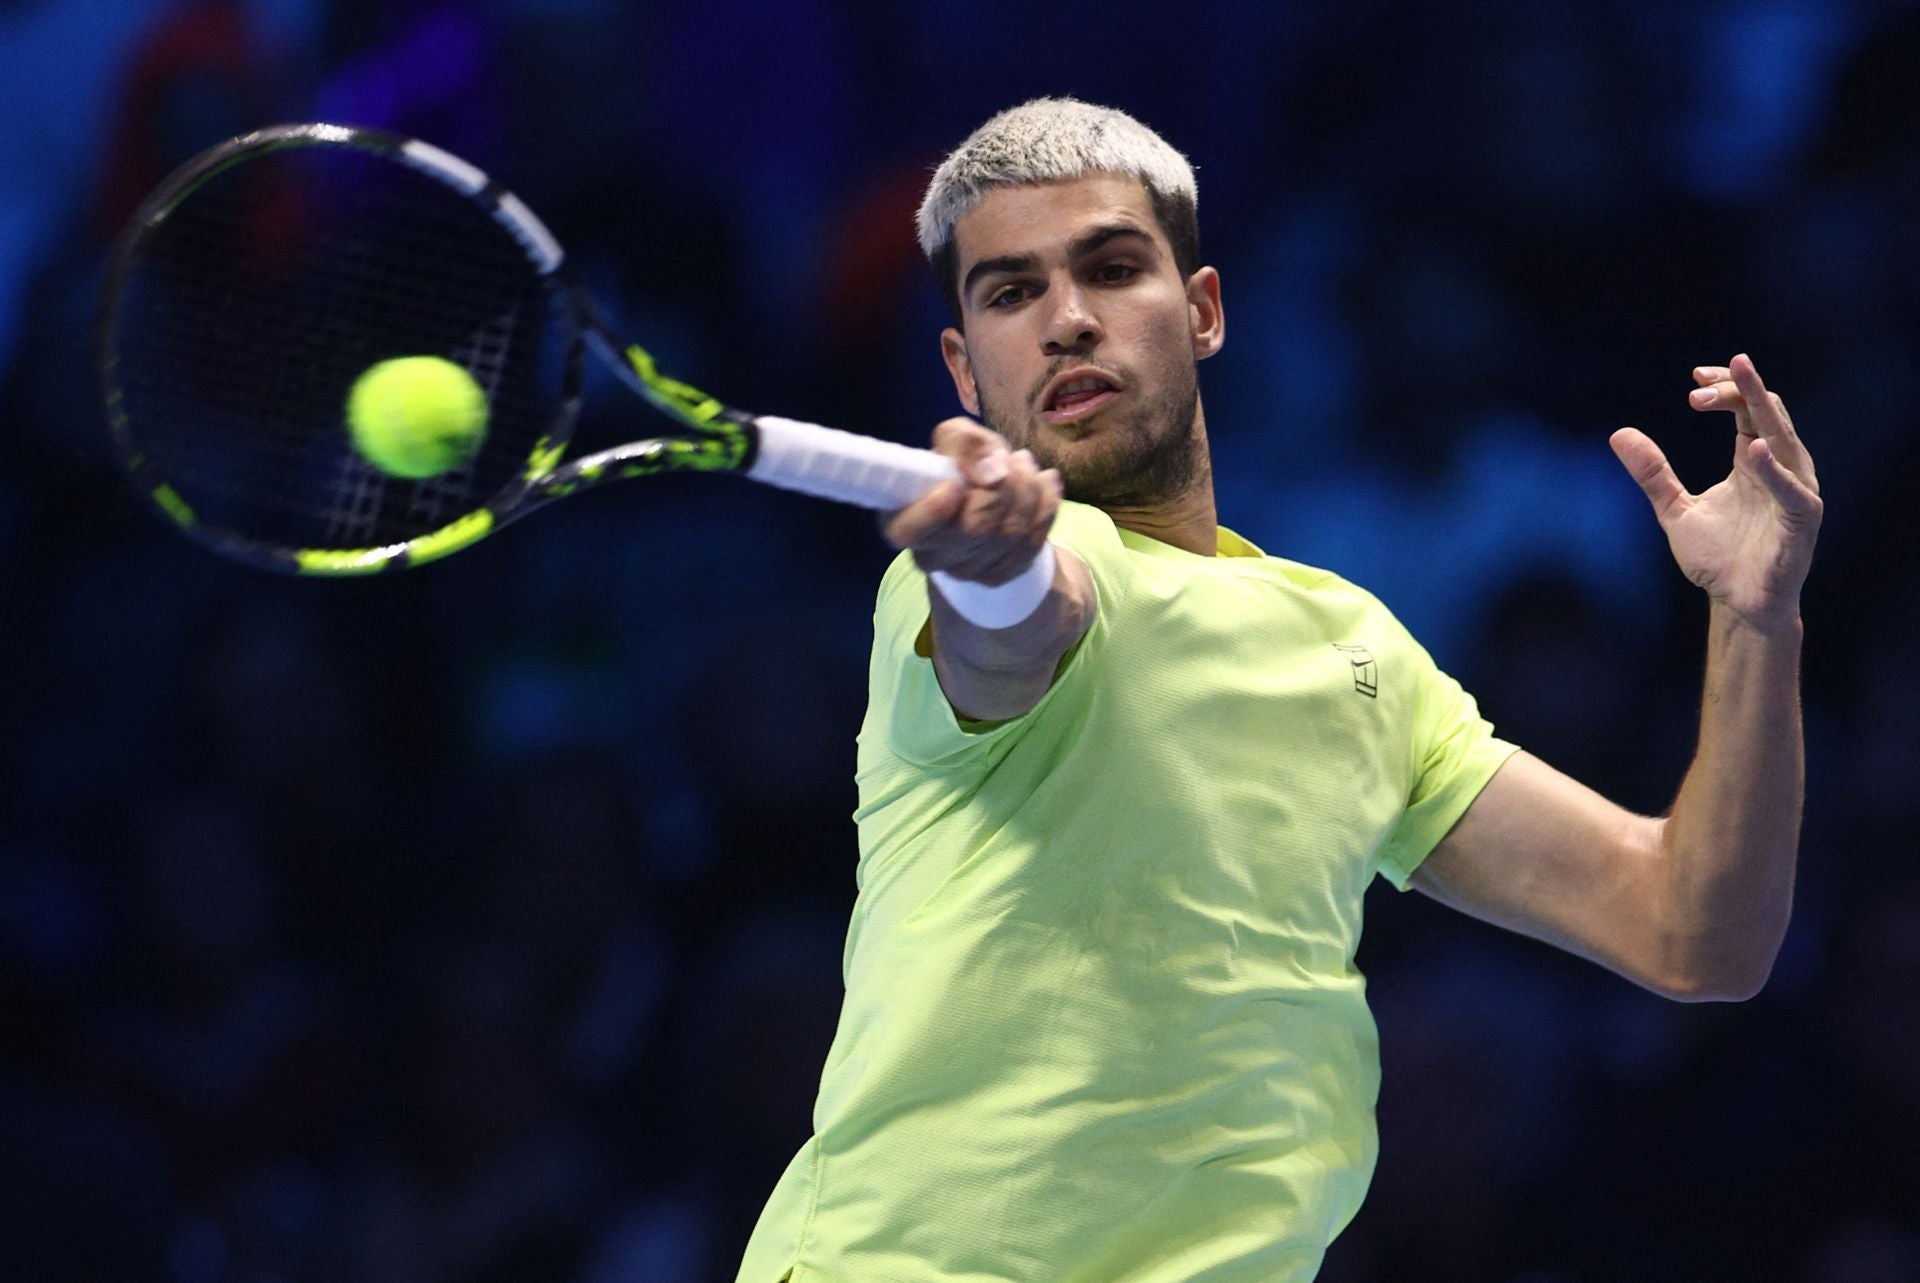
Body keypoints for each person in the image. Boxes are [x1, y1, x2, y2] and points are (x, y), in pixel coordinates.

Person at [734, 98, 1820, 1283]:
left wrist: (1755, 618)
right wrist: (987, 567)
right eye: (1010, 293)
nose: (1067, 320)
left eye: (1111, 269)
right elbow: (1019, 627)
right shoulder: (963, 581)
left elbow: (1697, 932)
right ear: (963, 367)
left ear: (1203, 310)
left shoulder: (1355, 648)